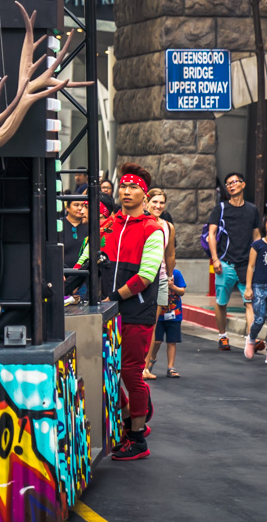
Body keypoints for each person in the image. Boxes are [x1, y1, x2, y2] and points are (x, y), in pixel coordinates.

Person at [78, 163, 164, 461]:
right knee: (105, 374)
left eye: (134, 187)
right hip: (105, 311)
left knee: (129, 371)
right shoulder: (106, 225)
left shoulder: (153, 228)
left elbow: (145, 277)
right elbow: (85, 261)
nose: (126, 192)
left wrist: (111, 298)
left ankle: (138, 439)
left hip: (135, 311)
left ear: (144, 193)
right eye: (123, 187)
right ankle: (133, 417)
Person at [206, 172, 262, 351]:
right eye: (228, 183)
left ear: (243, 185)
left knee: (249, 302)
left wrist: (259, 259)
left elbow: (256, 235)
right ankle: (223, 335)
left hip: (246, 264)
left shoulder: (252, 209)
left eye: (235, 182)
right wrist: (215, 259)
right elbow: (211, 234)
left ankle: (251, 339)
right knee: (222, 302)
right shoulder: (220, 208)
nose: (231, 185)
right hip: (225, 263)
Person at [244, 221, 267, 364]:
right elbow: (251, 266)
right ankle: (251, 338)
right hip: (259, 285)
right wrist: (248, 287)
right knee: (259, 319)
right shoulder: (257, 245)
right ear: (264, 226)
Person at [146, 267, 186, 380]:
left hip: (174, 314)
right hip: (159, 315)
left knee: (172, 341)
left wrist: (172, 286)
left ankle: (170, 367)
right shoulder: (156, 274)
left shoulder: (176, 274)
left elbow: (182, 291)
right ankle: (152, 357)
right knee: (157, 341)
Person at [61, 199, 89, 298]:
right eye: (76, 205)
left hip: (84, 278)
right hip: (63, 277)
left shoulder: (88, 226)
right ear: (67, 207)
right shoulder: (59, 226)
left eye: (83, 206)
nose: (80, 208)